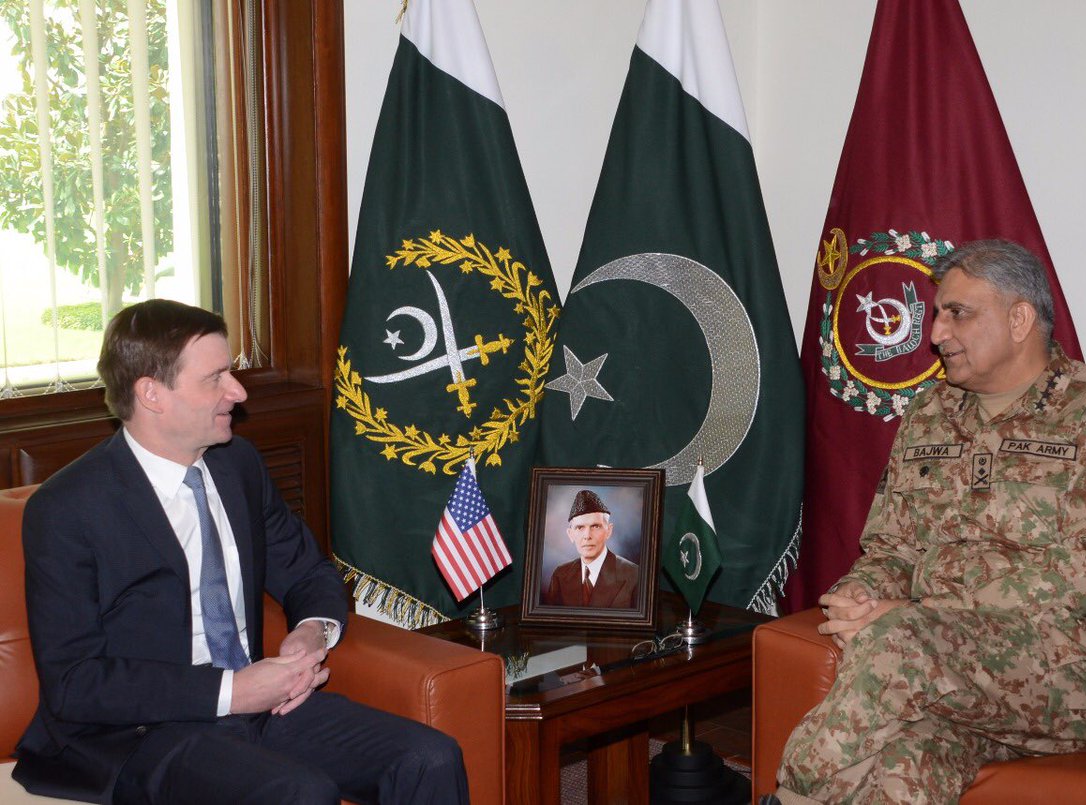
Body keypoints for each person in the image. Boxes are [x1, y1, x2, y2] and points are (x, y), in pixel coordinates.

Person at [771, 240, 1086, 804]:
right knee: (908, 761)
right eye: (939, 313)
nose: (937, 332)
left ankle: (789, 793)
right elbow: (892, 546)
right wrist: (861, 596)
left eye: (958, 313)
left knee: (900, 640)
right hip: (955, 673)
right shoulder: (931, 413)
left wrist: (922, 615)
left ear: (1019, 319)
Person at [14, 300, 468, 804]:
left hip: (259, 708)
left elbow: (307, 570)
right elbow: (75, 682)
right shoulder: (68, 509)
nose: (238, 391)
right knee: (300, 793)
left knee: (430, 758)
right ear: (151, 394)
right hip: (140, 734)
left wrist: (312, 632)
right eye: (216, 378)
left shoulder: (237, 466)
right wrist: (232, 692)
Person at [544, 489, 639, 608]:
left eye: (595, 526)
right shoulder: (560, 575)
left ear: (609, 531)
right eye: (580, 528)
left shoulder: (634, 575)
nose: (587, 536)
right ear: (570, 534)